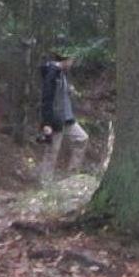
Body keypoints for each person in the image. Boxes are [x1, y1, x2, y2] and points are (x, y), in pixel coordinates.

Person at [37, 51, 88, 185]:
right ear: (66, 60)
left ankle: (72, 175)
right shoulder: (52, 73)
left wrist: (69, 89)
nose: (72, 63)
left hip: (67, 118)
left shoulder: (61, 73)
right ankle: (45, 183)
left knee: (82, 138)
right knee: (52, 152)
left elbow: (60, 93)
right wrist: (47, 123)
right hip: (55, 120)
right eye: (71, 60)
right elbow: (47, 100)